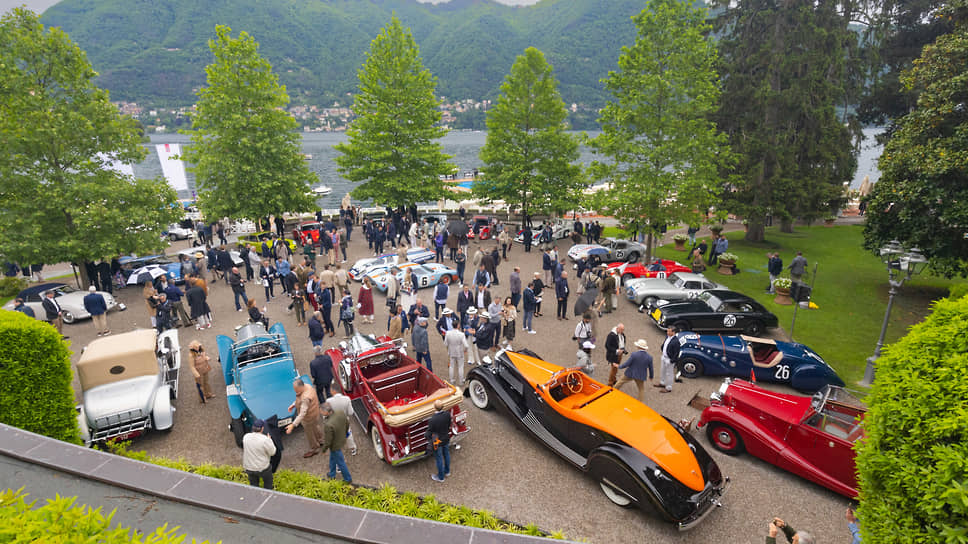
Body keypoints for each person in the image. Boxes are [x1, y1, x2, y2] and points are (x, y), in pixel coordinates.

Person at [286, 378, 323, 458]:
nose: (296, 392)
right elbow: (299, 398)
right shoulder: (307, 386)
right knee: (316, 427)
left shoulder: (305, 398)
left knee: (310, 434)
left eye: (297, 390)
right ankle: (321, 440)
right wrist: (294, 404)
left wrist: (293, 425)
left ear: (301, 387)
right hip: (315, 413)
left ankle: (314, 448)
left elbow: (302, 413)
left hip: (308, 418)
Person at [319, 402, 352, 483]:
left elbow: (328, 441)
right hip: (342, 439)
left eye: (321, 411)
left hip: (335, 445)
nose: (320, 413)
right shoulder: (340, 412)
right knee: (333, 458)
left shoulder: (328, 424)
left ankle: (348, 479)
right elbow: (347, 423)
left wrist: (323, 450)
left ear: (326, 412)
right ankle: (332, 474)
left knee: (340, 462)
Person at [242, 419, 276, 490]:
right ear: (262, 428)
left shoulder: (246, 437)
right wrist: (270, 440)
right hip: (263, 468)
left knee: (254, 485)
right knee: (268, 484)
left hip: (249, 467)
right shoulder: (265, 440)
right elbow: (272, 452)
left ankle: (256, 497)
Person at [427, 400, 452, 482]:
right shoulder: (447, 414)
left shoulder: (432, 419)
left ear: (434, 407)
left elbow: (430, 431)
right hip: (446, 438)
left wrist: (426, 436)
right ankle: (447, 471)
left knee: (439, 458)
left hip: (437, 441)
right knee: (447, 454)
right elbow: (449, 424)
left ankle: (440, 477)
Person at [327, 391, 357, 455]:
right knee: (348, 435)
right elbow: (350, 412)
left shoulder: (328, 401)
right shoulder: (347, 399)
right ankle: (352, 449)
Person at [655, 326, 681, 393]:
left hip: (669, 359)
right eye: (667, 331)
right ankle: (662, 383)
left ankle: (668, 388)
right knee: (662, 370)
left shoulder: (676, 342)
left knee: (669, 374)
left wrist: (672, 361)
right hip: (664, 357)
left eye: (669, 331)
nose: (667, 332)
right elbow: (664, 345)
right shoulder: (667, 337)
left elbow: (676, 353)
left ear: (673, 332)